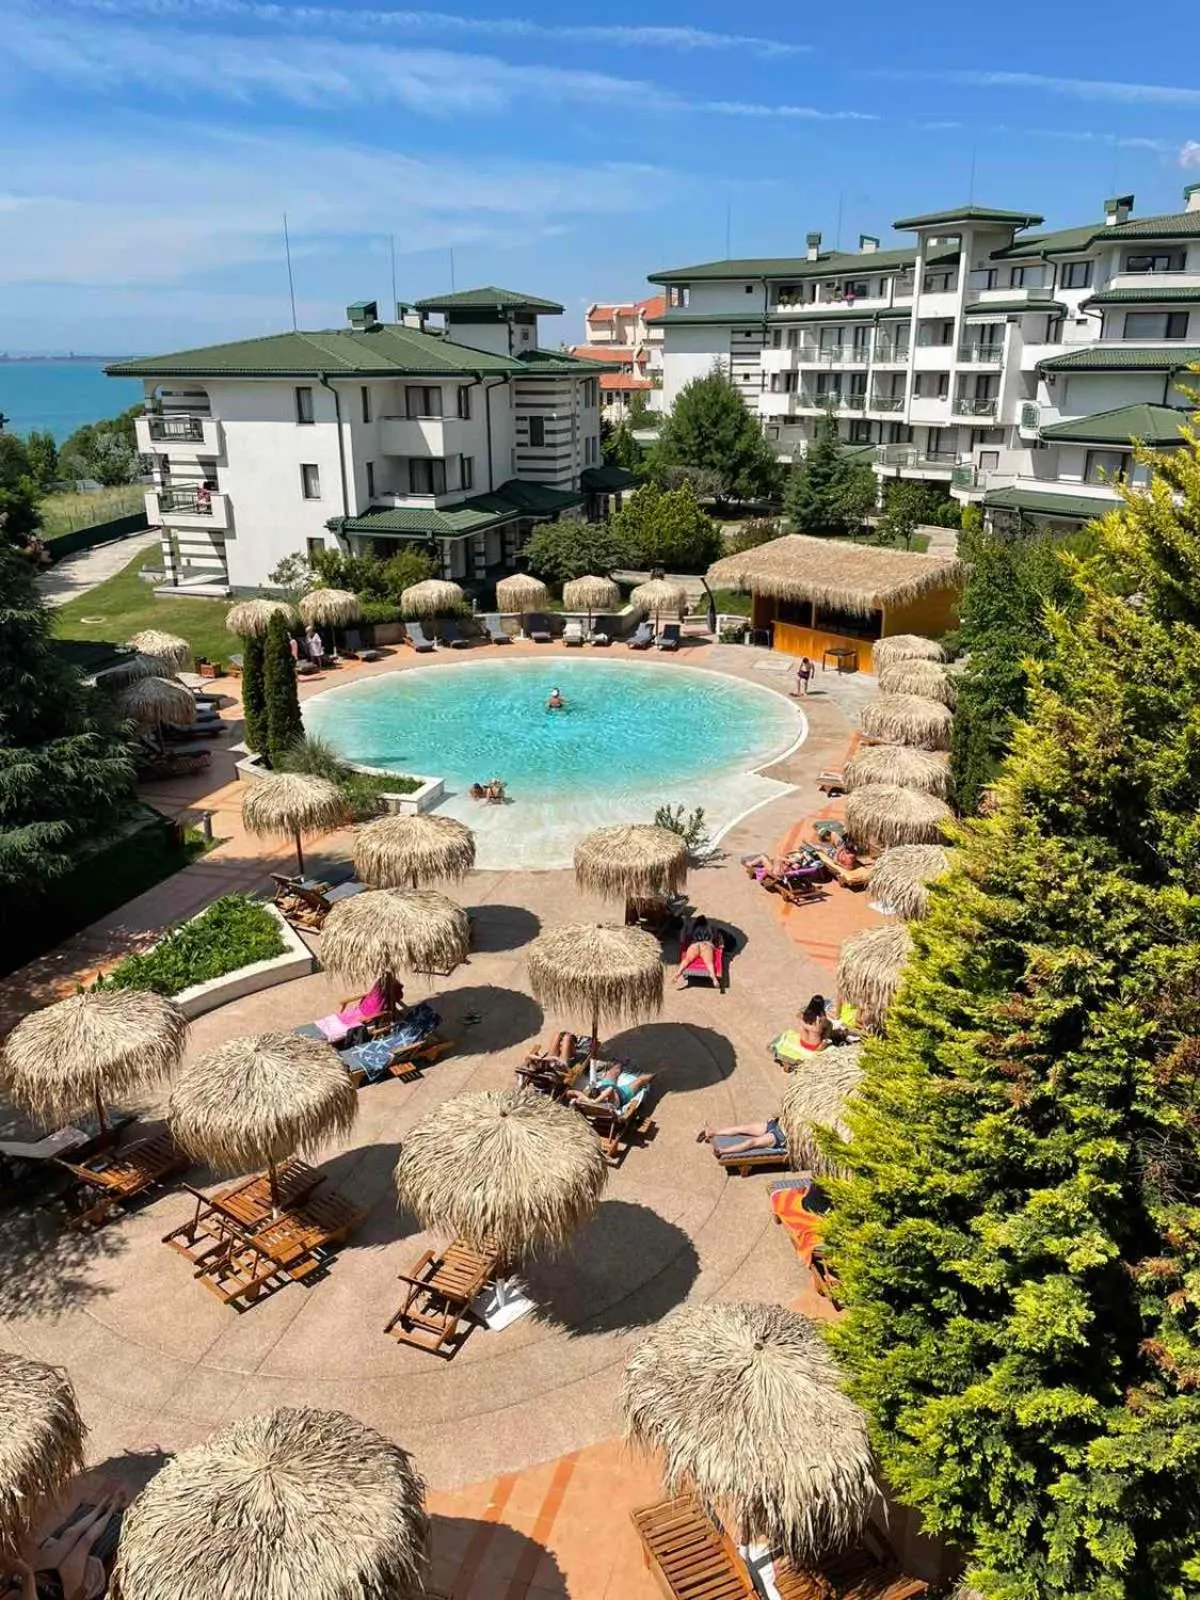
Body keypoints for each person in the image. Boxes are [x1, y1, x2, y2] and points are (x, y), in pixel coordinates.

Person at [675, 913, 723, 988]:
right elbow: (716, 937)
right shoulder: (710, 928)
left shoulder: (694, 928)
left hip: (695, 945)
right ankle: (713, 977)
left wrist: (685, 923)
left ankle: (678, 972)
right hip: (706, 945)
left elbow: (685, 936)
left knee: (687, 959)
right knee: (709, 962)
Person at [697, 1118, 787, 1157]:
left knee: (751, 1142)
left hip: (779, 1137)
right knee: (743, 1128)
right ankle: (713, 1132)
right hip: (777, 1124)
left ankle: (721, 1151)